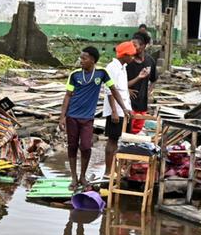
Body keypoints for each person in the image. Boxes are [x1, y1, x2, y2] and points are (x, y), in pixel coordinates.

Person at [58, 46, 130, 188]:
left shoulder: (101, 73)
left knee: (85, 146)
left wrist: (123, 108)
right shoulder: (75, 75)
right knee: (72, 146)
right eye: (81, 58)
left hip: (87, 118)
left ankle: (83, 176)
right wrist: (62, 117)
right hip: (72, 116)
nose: (81, 61)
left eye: (84, 58)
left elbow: (113, 90)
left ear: (92, 60)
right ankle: (74, 177)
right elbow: (67, 96)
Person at [102, 41, 145, 171]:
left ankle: (117, 170)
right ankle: (108, 171)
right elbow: (109, 91)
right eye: (131, 55)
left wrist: (139, 77)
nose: (132, 58)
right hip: (116, 111)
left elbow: (123, 87)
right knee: (112, 140)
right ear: (124, 55)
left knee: (122, 140)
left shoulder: (123, 67)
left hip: (125, 109)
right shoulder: (112, 68)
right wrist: (114, 111)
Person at [125, 32, 158, 134]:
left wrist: (149, 92)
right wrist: (126, 90)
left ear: (143, 46)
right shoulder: (128, 62)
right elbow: (118, 83)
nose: (132, 48)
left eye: (135, 46)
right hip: (129, 104)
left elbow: (154, 79)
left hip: (142, 103)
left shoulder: (150, 61)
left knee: (137, 131)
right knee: (127, 131)